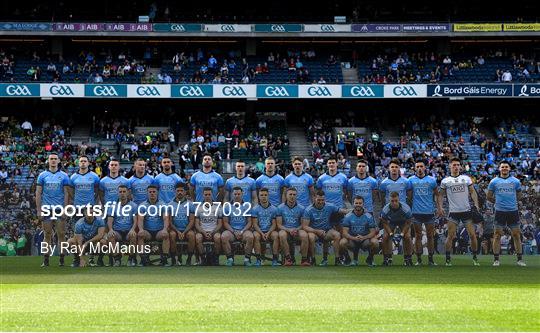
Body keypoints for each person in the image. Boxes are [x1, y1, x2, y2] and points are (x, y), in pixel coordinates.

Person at [440, 157, 481, 266]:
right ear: (450, 166)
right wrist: (440, 207)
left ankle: (475, 257)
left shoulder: (466, 178)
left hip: (466, 211)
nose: (456, 167)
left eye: (458, 165)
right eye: (454, 165)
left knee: (472, 235)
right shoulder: (445, 181)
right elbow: (440, 195)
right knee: (450, 236)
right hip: (453, 212)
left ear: (460, 166)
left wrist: (476, 204)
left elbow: (473, 192)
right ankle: (448, 259)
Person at [487, 161, 526, 266]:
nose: (504, 168)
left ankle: (519, 259)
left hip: (513, 211)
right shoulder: (494, 181)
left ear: (509, 169)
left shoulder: (516, 181)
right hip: (499, 211)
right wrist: (497, 202)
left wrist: (512, 203)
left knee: (516, 235)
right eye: (502, 167)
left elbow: (519, 195)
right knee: (497, 235)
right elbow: (489, 196)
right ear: (499, 169)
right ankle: (496, 259)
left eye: (506, 167)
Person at [36, 152, 70, 267]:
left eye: (55, 159)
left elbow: (66, 193)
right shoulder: (42, 175)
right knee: (47, 234)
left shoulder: (64, 176)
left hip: (59, 209)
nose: (54, 160)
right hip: (46, 209)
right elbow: (38, 193)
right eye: (51, 159)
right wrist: (39, 210)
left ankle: (62, 259)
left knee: (61, 234)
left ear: (59, 161)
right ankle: (46, 260)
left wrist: (66, 209)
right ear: (48, 161)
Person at [408, 160, 443, 266]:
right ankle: (419, 259)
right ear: (414, 168)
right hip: (416, 212)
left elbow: (438, 195)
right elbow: (409, 197)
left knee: (430, 236)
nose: (419, 168)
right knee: (418, 236)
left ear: (425, 168)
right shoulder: (410, 180)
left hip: (429, 212)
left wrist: (439, 208)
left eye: (421, 166)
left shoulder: (431, 180)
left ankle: (431, 259)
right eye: (417, 166)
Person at [301, 190, 349, 266]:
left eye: (322, 200)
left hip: (327, 231)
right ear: (314, 198)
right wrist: (316, 231)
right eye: (318, 200)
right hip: (314, 231)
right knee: (311, 237)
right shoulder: (308, 210)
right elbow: (305, 226)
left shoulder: (330, 206)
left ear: (325, 199)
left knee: (337, 235)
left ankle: (337, 259)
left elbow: (342, 211)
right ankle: (313, 259)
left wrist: (354, 210)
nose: (320, 202)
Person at [136, 185, 170, 266]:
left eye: (154, 192)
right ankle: (143, 259)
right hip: (148, 232)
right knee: (140, 235)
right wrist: (140, 229)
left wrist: (165, 229)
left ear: (157, 192)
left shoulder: (163, 205)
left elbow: (166, 218)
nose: (152, 193)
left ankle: (164, 260)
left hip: (159, 231)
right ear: (147, 193)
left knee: (165, 235)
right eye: (150, 192)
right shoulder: (142, 205)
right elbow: (140, 219)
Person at [339, 196, 378, 266]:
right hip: (352, 240)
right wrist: (353, 238)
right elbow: (344, 233)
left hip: (365, 240)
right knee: (342, 242)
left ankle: (370, 259)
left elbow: (373, 232)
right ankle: (348, 259)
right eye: (356, 203)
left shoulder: (369, 216)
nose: (358, 204)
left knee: (375, 242)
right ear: (353, 204)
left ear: (363, 204)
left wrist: (364, 237)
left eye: (360, 203)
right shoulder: (348, 216)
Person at [105, 185, 138, 267]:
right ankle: (117, 259)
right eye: (120, 192)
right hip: (117, 231)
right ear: (117, 193)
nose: (122, 193)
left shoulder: (133, 206)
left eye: (124, 191)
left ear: (127, 193)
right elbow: (109, 221)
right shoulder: (112, 206)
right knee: (110, 236)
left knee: (133, 236)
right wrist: (111, 229)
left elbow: (135, 220)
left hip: (128, 231)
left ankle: (131, 259)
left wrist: (133, 229)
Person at [222, 187, 254, 266]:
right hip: (231, 231)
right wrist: (234, 231)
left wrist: (242, 231)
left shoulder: (247, 206)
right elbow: (225, 222)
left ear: (242, 194)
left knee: (250, 236)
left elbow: (249, 222)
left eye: (239, 194)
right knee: (224, 236)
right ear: (232, 194)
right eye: (235, 194)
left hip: (244, 231)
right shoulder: (227, 206)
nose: (237, 196)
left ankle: (247, 259)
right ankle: (230, 259)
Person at [277, 188, 309, 266]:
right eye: (290, 194)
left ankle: (304, 259)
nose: (292, 196)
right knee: (281, 234)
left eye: (294, 195)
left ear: (296, 196)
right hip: (285, 229)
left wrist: (296, 229)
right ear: (286, 196)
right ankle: (288, 259)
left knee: (305, 235)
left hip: (297, 230)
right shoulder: (280, 208)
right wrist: (289, 230)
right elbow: (279, 225)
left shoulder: (302, 208)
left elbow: (303, 224)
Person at [380, 192, 414, 266]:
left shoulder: (406, 209)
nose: (394, 203)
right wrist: (391, 233)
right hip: (391, 222)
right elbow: (385, 223)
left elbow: (408, 223)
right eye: (392, 201)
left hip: (403, 222)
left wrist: (402, 234)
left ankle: (408, 258)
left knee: (407, 237)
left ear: (399, 200)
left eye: (396, 201)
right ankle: (387, 258)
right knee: (385, 237)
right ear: (389, 201)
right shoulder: (385, 209)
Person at [167, 183, 196, 266]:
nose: (180, 192)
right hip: (175, 229)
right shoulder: (170, 205)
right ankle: (174, 258)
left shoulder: (190, 204)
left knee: (192, 235)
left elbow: (191, 220)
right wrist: (178, 232)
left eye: (181, 191)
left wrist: (184, 232)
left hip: (187, 229)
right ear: (175, 192)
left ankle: (189, 259)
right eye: (178, 191)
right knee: (172, 235)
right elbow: (170, 221)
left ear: (185, 192)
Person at [194, 187, 223, 266]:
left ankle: (215, 258)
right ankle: (203, 258)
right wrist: (204, 232)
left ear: (212, 195)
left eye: (209, 194)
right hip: (202, 231)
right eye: (206, 194)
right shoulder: (198, 208)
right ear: (203, 195)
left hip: (214, 231)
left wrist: (212, 232)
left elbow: (220, 223)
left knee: (218, 237)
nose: (207, 196)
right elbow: (196, 224)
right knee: (197, 238)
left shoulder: (218, 208)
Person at [251, 188, 279, 266]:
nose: (264, 197)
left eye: (265, 195)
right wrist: (262, 233)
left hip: (270, 230)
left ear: (268, 196)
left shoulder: (274, 209)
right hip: (259, 231)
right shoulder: (255, 209)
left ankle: (275, 259)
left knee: (276, 236)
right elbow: (255, 224)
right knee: (256, 236)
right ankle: (258, 259)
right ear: (259, 196)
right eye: (261, 195)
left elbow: (274, 224)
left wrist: (268, 233)